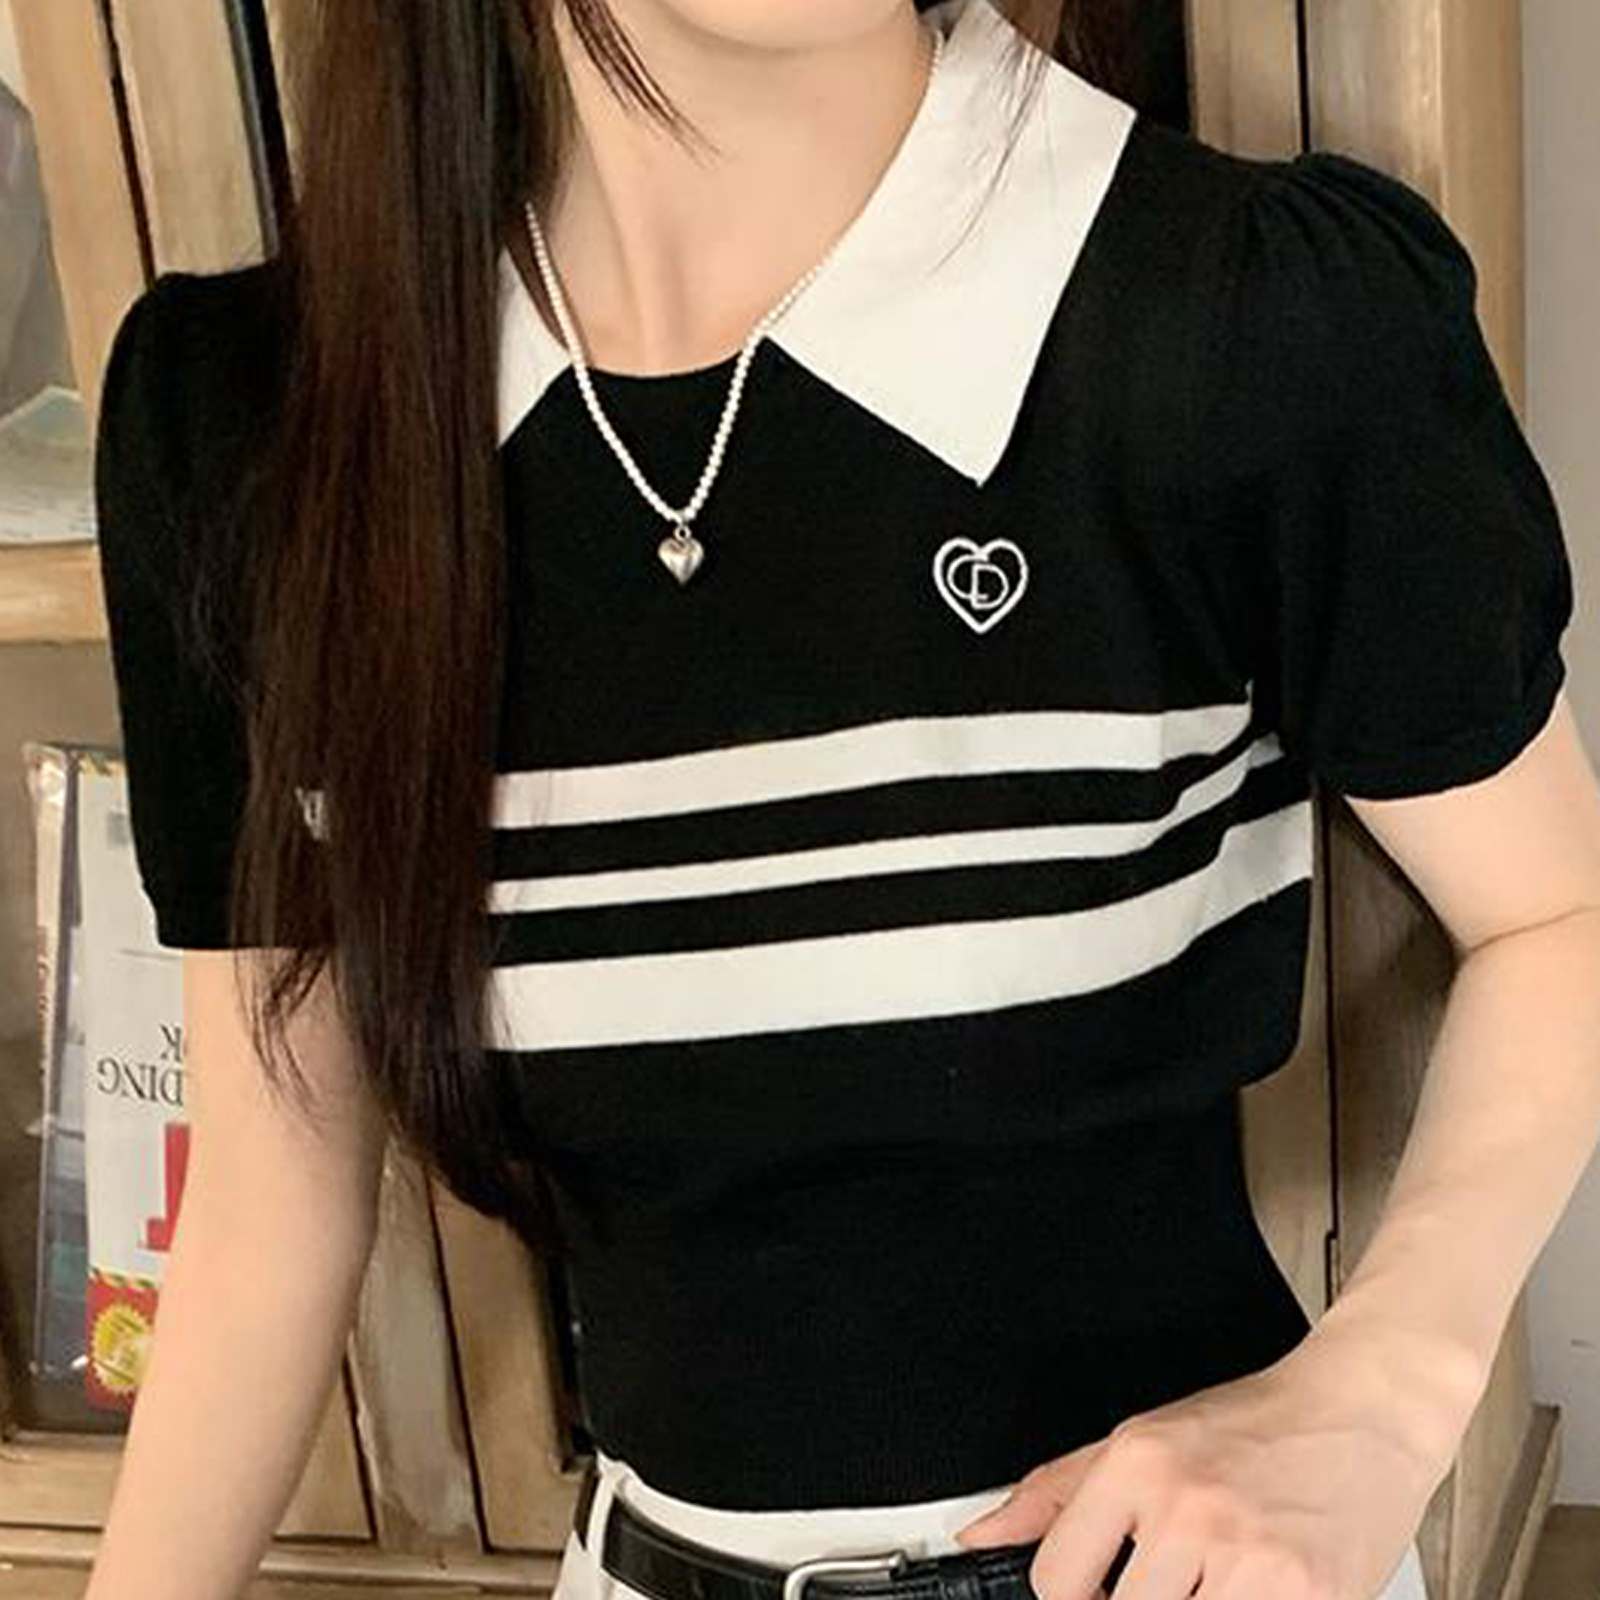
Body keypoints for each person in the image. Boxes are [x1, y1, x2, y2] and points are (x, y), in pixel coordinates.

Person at [85, 1, 1600, 1599]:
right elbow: (272, 1190)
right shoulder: (259, 431)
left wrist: (1386, 1390)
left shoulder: (1242, 318)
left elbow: (1559, 915)